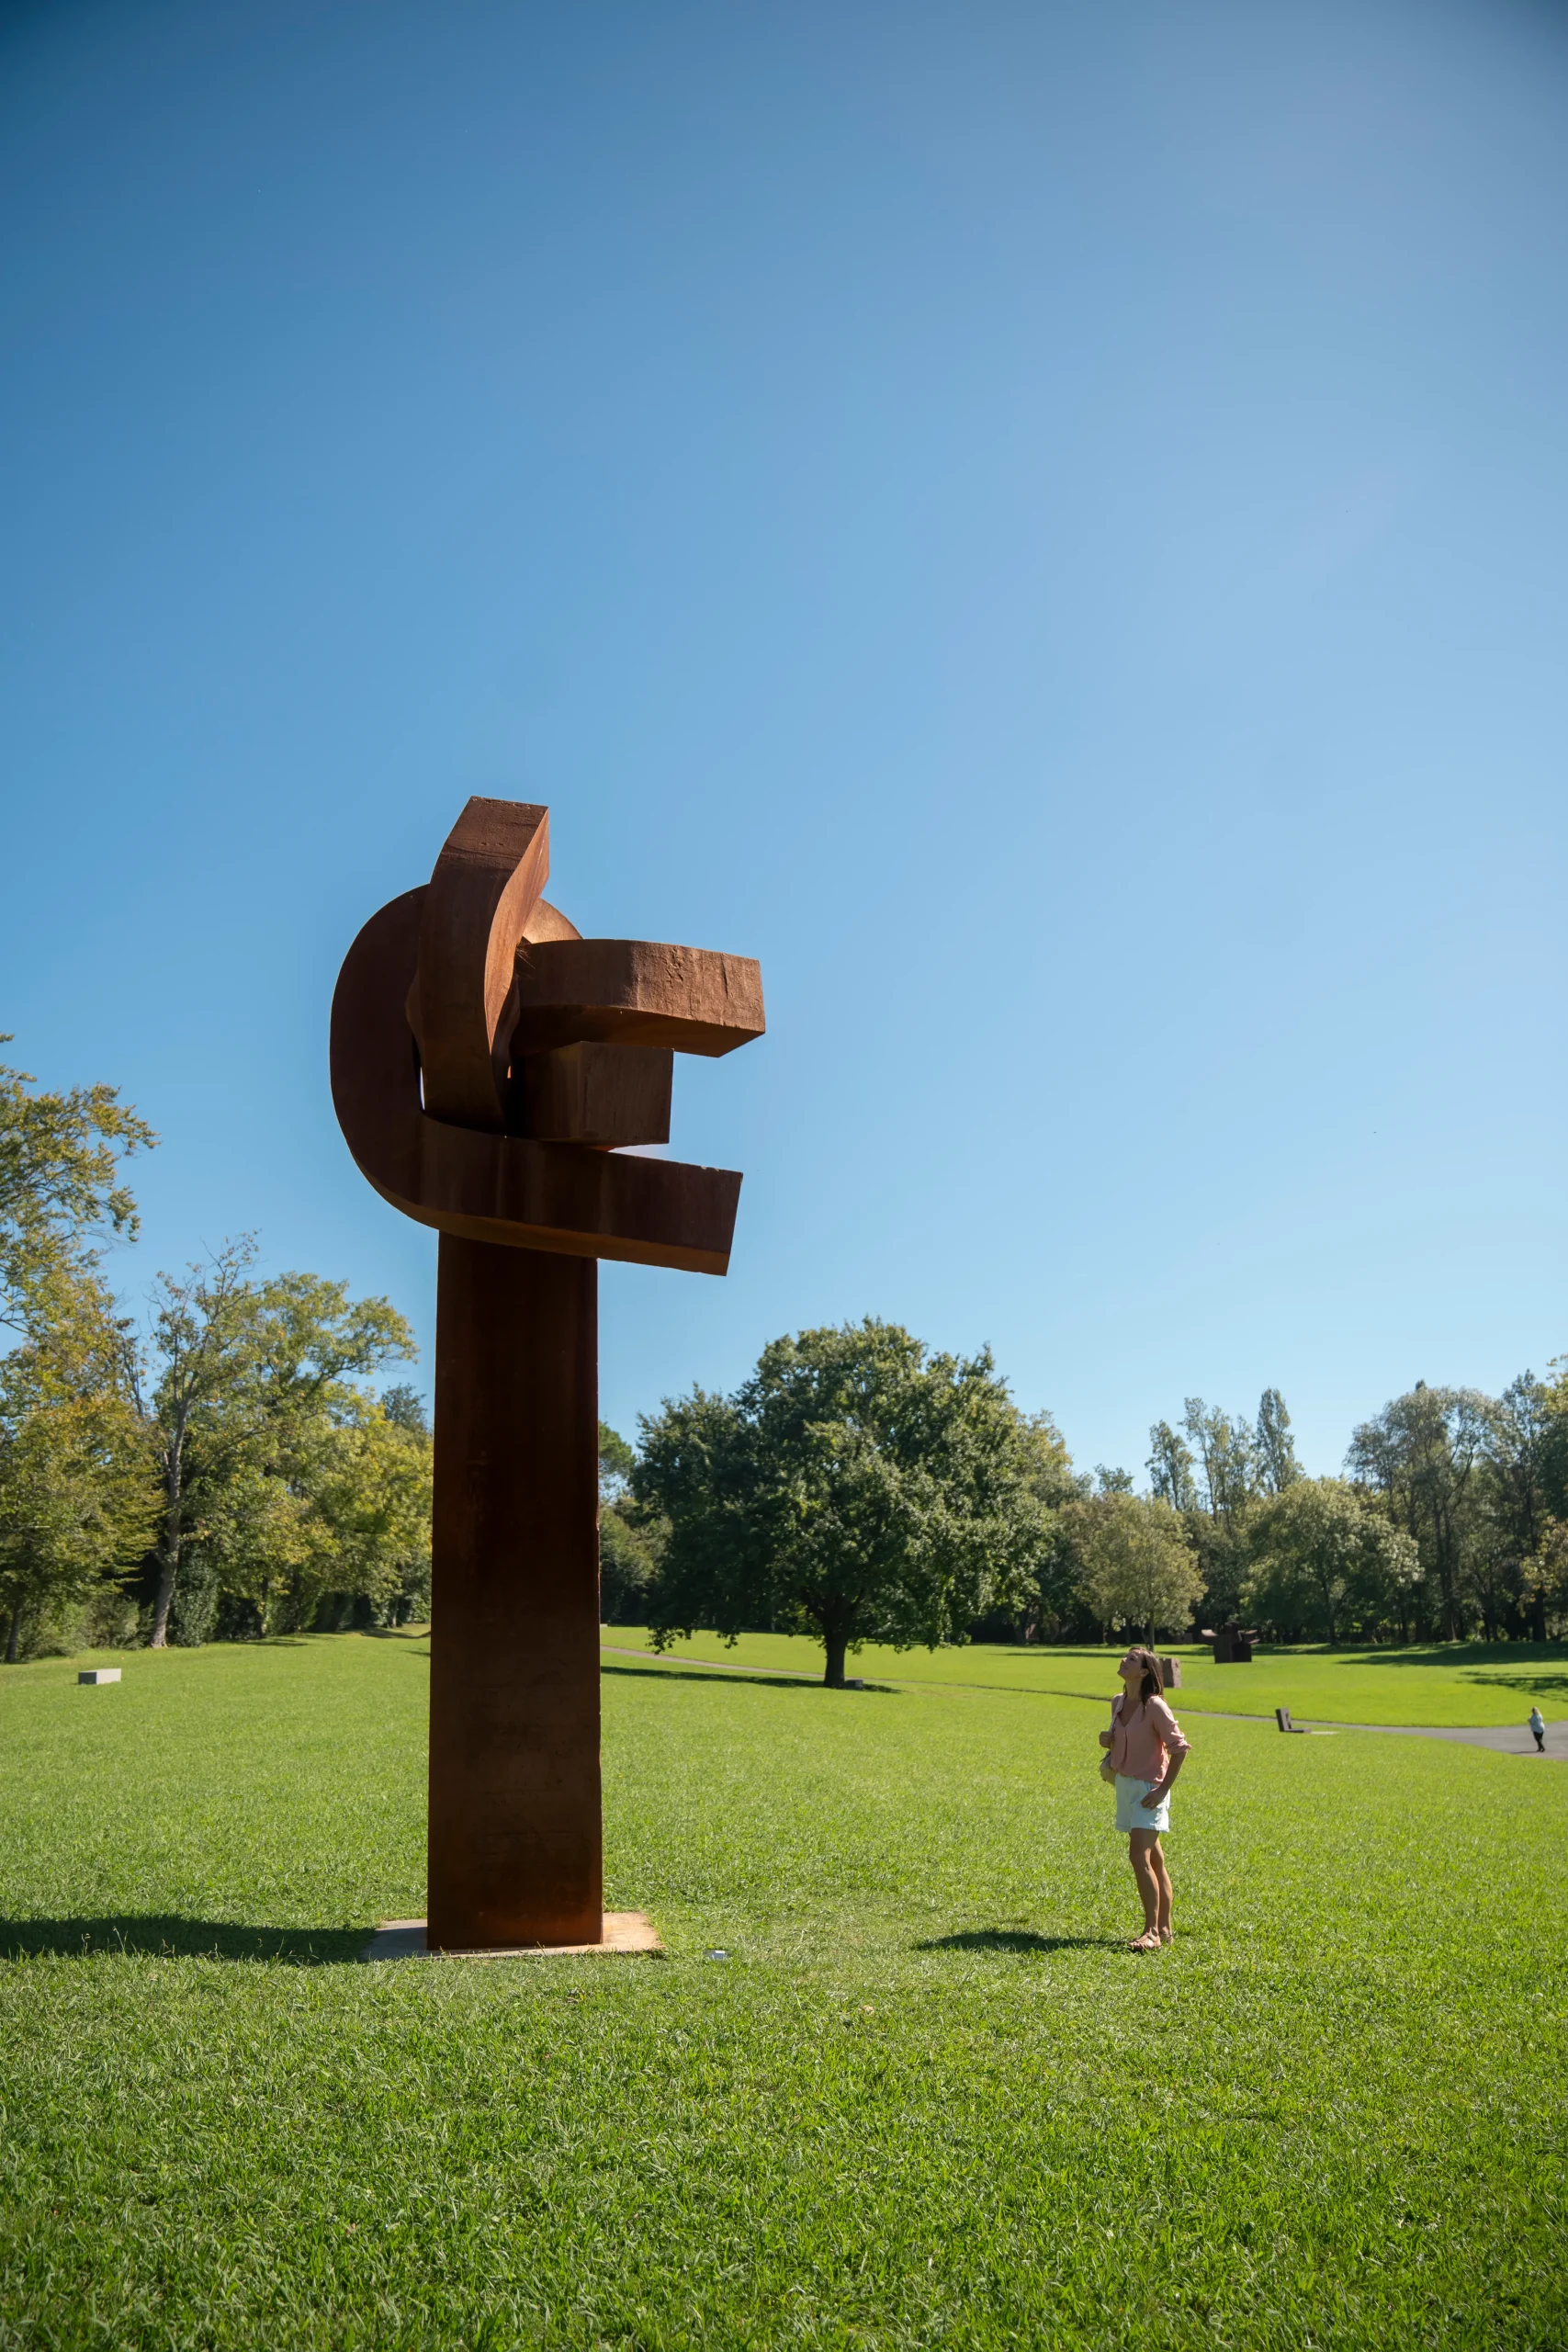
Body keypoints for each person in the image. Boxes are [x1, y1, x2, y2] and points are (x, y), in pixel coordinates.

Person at [1100, 1645, 1190, 1952]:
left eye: (1132, 1659)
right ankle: (1164, 1929)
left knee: (1138, 1855)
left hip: (1149, 1791)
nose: (1124, 1660)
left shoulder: (1155, 1706)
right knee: (1155, 1858)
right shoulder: (1117, 1702)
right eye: (1126, 1656)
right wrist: (1107, 1741)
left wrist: (1163, 1790)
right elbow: (1125, 1742)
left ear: (1144, 1672)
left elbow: (1179, 1748)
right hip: (1125, 1786)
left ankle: (1150, 1932)